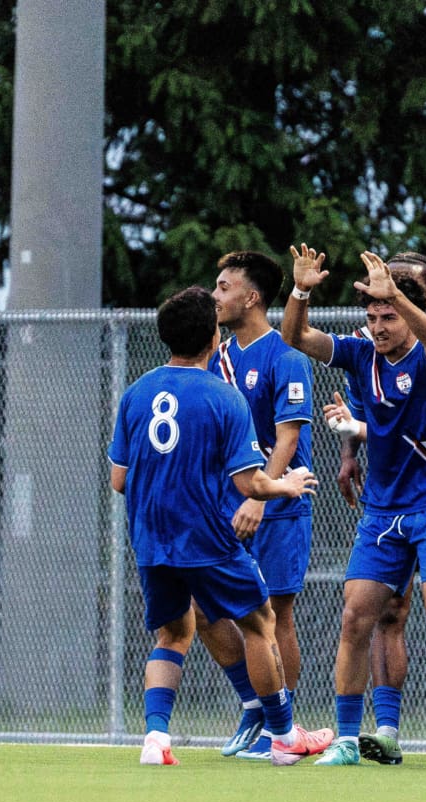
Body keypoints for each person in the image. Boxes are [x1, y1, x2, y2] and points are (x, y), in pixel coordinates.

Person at [281, 245, 426, 768]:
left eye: (387, 314)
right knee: (356, 616)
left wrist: (396, 293)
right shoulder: (359, 352)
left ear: (407, 311)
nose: (377, 325)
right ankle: (348, 740)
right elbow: (295, 337)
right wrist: (301, 291)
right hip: (382, 510)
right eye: (371, 316)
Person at [106, 285, 327, 767]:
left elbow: (119, 479)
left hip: (150, 538)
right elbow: (250, 482)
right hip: (207, 536)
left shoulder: (136, 393)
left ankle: (155, 739)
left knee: (172, 634)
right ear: (212, 337)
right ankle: (284, 733)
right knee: (260, 621)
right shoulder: (224, 399)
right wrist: (286, 485)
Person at [197, 250, 331, 761]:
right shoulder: (216, 358)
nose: (215, 295)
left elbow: (289, 439)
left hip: (274, 503)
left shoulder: (286, 357)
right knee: (202, 609)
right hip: (221, 507)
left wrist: (259, 495)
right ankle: (254, 703)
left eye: (224, 285)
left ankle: (283, 726)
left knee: (275, 613)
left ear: (251, 297)